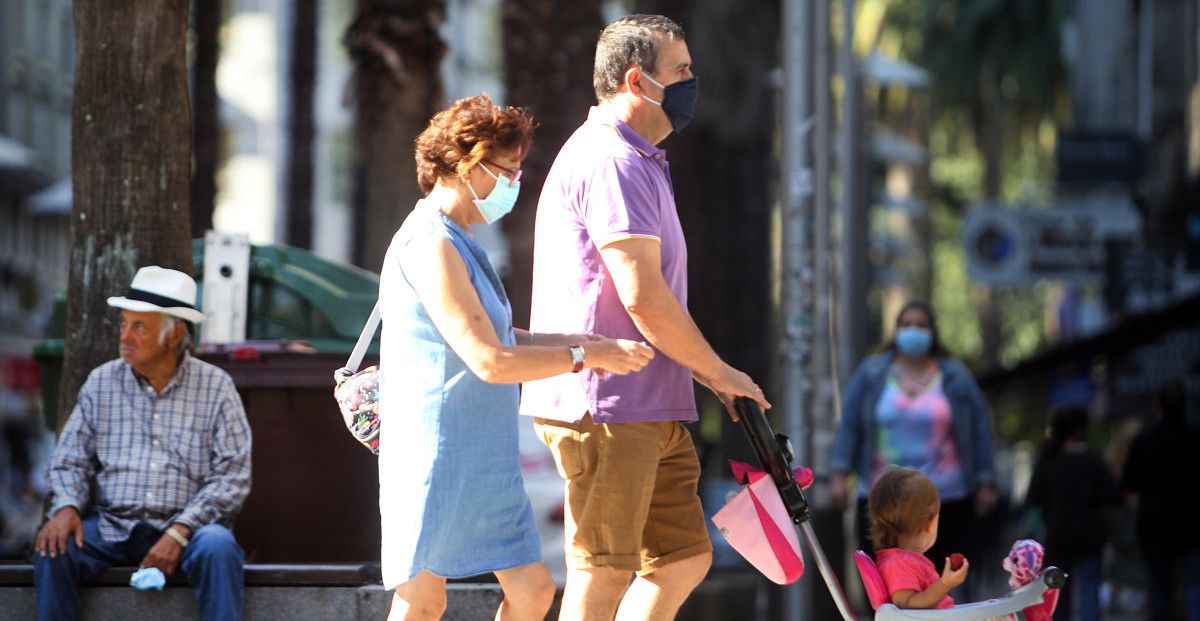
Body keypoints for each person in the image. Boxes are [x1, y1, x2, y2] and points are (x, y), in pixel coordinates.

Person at [518, 14, 770, 621]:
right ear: (638, 79)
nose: (692, 82)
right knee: (603, 570)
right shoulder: (614, 161)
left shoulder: (640, 158)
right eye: (680, 71)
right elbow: (643, 295)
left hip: (650, 401)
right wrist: (718, 372)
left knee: (683, 557)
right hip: (608, 403)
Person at [377, 94, 655, 621]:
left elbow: (503, 335)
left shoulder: (459, 238)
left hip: (482, 452)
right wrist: (583, 355)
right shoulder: (430, 242)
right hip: (438, 451)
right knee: (421, 600)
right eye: (507, 170)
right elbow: (489, 360)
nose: (514, 182)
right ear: (465, 165)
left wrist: (590, 347)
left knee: (531, 591)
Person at [35, 266, 252, 621]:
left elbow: (233, 477)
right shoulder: (101, 382)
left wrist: (181, 532)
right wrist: (67, 507)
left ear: (173, 334)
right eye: (123, 324)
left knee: (219, 548)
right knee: (54, 546)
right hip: (111, 525)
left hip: (190, 528)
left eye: (139, 327)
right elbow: (69, 461)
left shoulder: (216, 387)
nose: (125, 337)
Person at [831, 300, 998, 573]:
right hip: (881, 496)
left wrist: (985, 481)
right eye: (906, 325)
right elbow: (850, 424)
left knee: (938, 584)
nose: (913, 331)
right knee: (885, 586)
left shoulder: (955, 376)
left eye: (920, 325)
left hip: (945, 498)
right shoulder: (872, 373)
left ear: (933, 332)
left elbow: (979, 429)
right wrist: (839, 473)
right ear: (895, 331)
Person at [1025, 406, 1123, 621]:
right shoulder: (1093, 460)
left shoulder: (1048, 460)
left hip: (1058, 538)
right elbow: (1114, 495)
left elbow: (1033, 497)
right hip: (1090, 537)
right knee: (1089, 592)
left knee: (1059, 594)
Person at [1123, 379, 1200, 621]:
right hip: (1193, 526)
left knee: (1160, 588)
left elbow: (1130, 482)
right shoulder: (1195, 439)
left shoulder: (1145, 441)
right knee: (1194, 586)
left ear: (1159, 406)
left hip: (1156, 526)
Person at [868, 465, 968, 610]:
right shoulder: (897, 563)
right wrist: (945, 584)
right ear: (931, 523)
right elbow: (907, 606)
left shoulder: (904, 560)